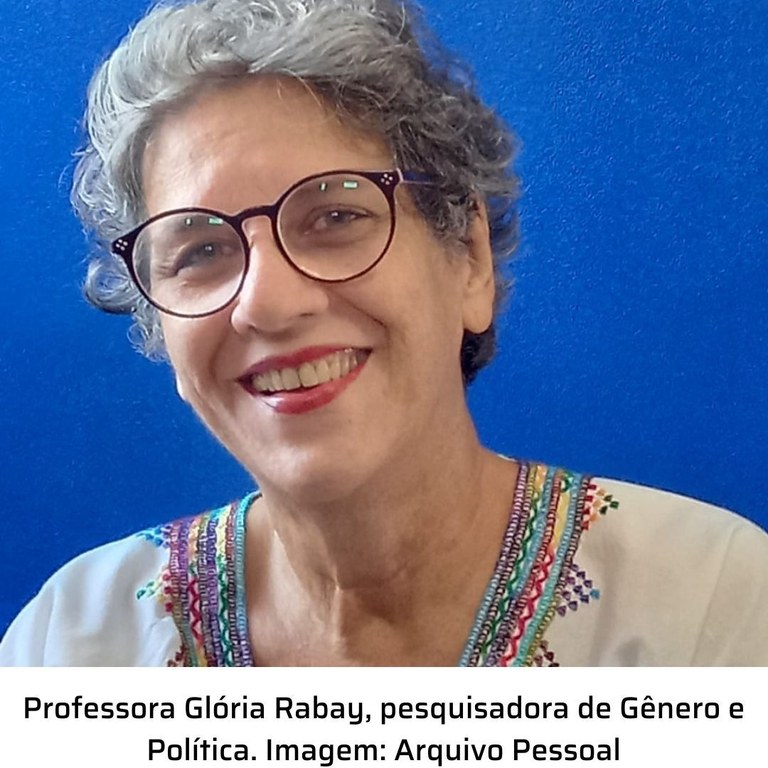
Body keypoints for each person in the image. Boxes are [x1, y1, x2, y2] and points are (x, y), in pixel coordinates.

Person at [1, 0, 766, 667]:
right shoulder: (70, 648)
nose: (267, 304)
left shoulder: (715, 612)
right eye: (200, 251)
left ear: (467, 257)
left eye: (335, 215)